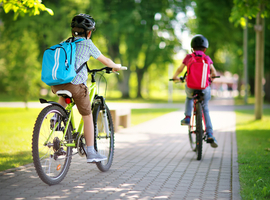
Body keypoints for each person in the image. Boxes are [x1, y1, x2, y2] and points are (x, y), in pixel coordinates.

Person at [51, 14, 122, 162]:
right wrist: (116, 66)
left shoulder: (65, 43)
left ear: (73, 31)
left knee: (65, 95)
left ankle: (55, 116)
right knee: (87, 115)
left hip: (57, 84)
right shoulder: (88, 44)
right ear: (89, 32)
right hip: (76, 86)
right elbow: (106, 60)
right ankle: (91, 152)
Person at [172, 34, 218, 148]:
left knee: (189, 97)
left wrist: (175, 77)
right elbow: (214, 73)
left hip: (191, 86)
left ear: (192, 48)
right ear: (205, 48)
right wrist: (211, 77)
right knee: (205, 108)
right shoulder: (206, 58)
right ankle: (210, 133)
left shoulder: (188, 57)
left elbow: (180, 69)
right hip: (204, 87)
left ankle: (187, 117)